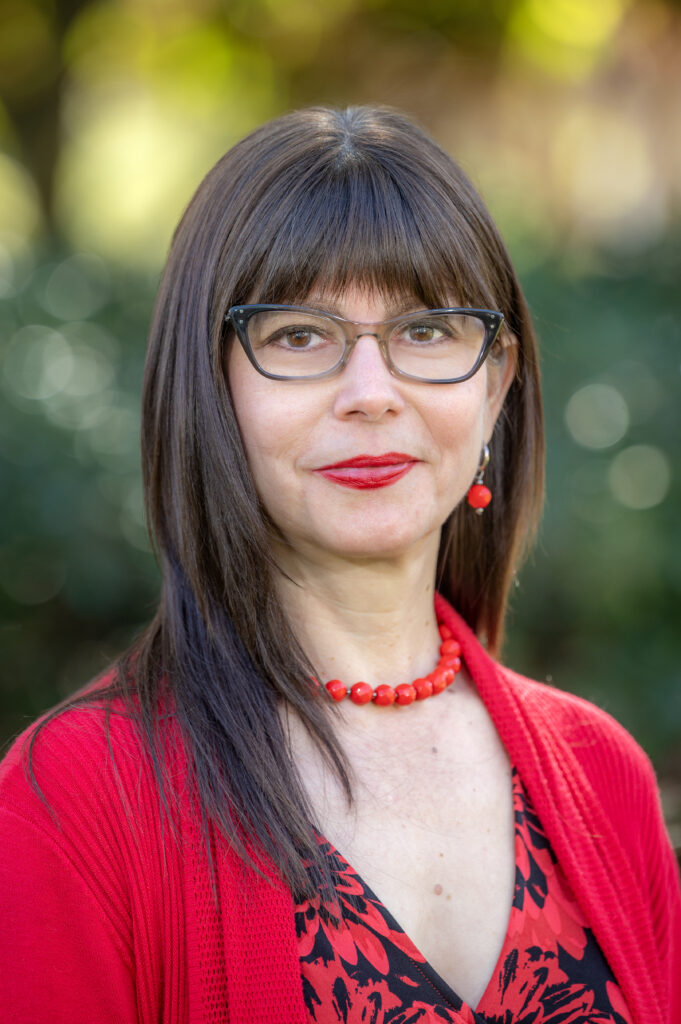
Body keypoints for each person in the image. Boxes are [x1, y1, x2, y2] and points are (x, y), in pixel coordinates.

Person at [0, 105, 679, 1024]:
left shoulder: (605, 778)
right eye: (298, 335)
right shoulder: (72, 803)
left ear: (497, 383)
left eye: (428, 331)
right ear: (208, 388)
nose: (371, 395)